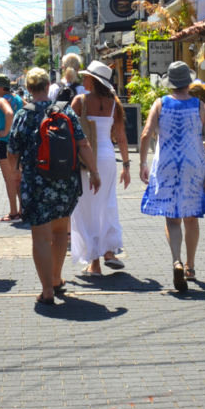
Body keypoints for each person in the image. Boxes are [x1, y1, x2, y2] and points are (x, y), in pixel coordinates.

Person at [6, 67, 101, 305]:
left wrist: (15, 172)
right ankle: (57, 279)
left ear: (28, 89)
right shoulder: (65, 110)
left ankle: (47, 289)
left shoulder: (23, 114)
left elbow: (12, 150)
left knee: (40, 236)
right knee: (60, 232)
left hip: (35, 182)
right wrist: (94, 172)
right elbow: (83, 144)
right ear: (49, 87)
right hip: (65, 180)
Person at [139, 62, 205, 291]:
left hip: (166, 164)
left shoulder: (160, 104)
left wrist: (143, 162)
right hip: (194, 165)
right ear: (188, 83)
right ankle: (191, 267)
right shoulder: (200, 106)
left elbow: (146, 134)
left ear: (170, 83)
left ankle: (177, 261)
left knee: (172, 218)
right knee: (191, 217)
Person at [70, 61, 130, 276]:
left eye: (86, 76)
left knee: (87, 209)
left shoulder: (80, 101)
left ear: (93, 80)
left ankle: (94, 262)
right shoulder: (115, 103)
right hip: (107, 159)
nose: (83, 79)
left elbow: (67, 129)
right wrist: (126, 165)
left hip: (87, 161)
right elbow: (121, 138)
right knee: (106, 205)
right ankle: (109, 252)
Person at [0, 74, 23, 222]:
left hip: (5, 141)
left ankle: (13, 212)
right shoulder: (16, 97)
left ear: (2, 87)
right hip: (19, 141)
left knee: (9, 179)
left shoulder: (2, 99)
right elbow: (28, 106)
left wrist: (5, 130)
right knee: (19, 176)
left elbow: (9, 113)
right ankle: (23, 209)